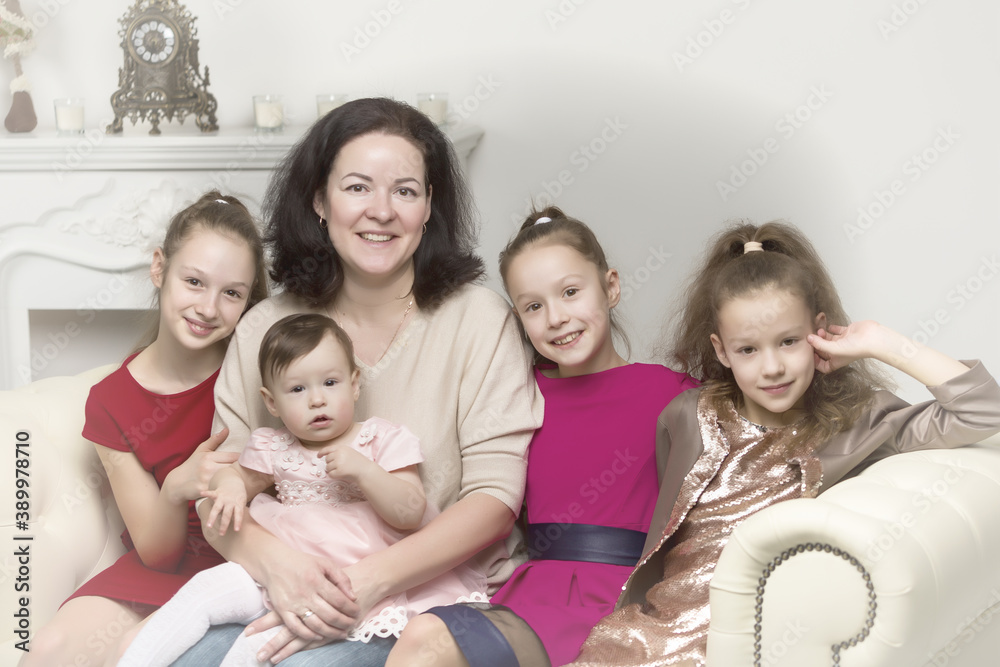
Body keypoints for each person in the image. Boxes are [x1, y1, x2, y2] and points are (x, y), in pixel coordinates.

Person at [172, 97, 546, 666]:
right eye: (356, 187)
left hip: (427, 600)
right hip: (289, 584)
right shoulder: (266, 328)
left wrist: (363, 584)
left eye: (405, 190)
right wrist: (281, 567)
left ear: (428, 209)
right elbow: (220, 495)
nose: (382, 211)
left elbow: (495, 501)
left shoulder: (478, 319)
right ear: (320, 200)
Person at [567, 221, 1000, 666]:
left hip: (745, 644)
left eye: (789, 342)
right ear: (721, 351)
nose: (772, 367)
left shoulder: (858, 422)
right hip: (649, 632)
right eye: (748, 350)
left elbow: (985, 409)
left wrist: (879, 342)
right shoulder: (687, 416)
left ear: (819, 330)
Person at [386, 208, 697, 666]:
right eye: (534, 306)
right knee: (425, 636)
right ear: (518, 318)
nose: (556, 318)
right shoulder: (520, 394)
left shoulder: (671, 393)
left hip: (629, 598)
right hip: (534, 600)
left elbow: (772, 420)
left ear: (610, 287)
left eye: (570, 292)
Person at [118, 313, 488, 666]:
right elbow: (238, 479)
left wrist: (365, 472)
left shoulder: (381, 439)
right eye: (297, 389)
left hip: (351, 578)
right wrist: (229, 486)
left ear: (355, 383)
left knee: (262, 648)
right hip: (276, 571)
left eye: (330, 383)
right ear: (271, 402)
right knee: (203, 591)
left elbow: (409, 513)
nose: (317, 400)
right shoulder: (273, 447)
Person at [18, 191, 268, 667]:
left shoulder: (257, 373)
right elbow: (157, 553)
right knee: (47, 651)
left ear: (248, 301)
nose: (209, 307)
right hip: (164, 563)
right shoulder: (111, 400)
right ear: (160, 269)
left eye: (231, 293)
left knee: (132, 654)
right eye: (194, 282)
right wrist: (176, 486)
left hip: (239, 562)